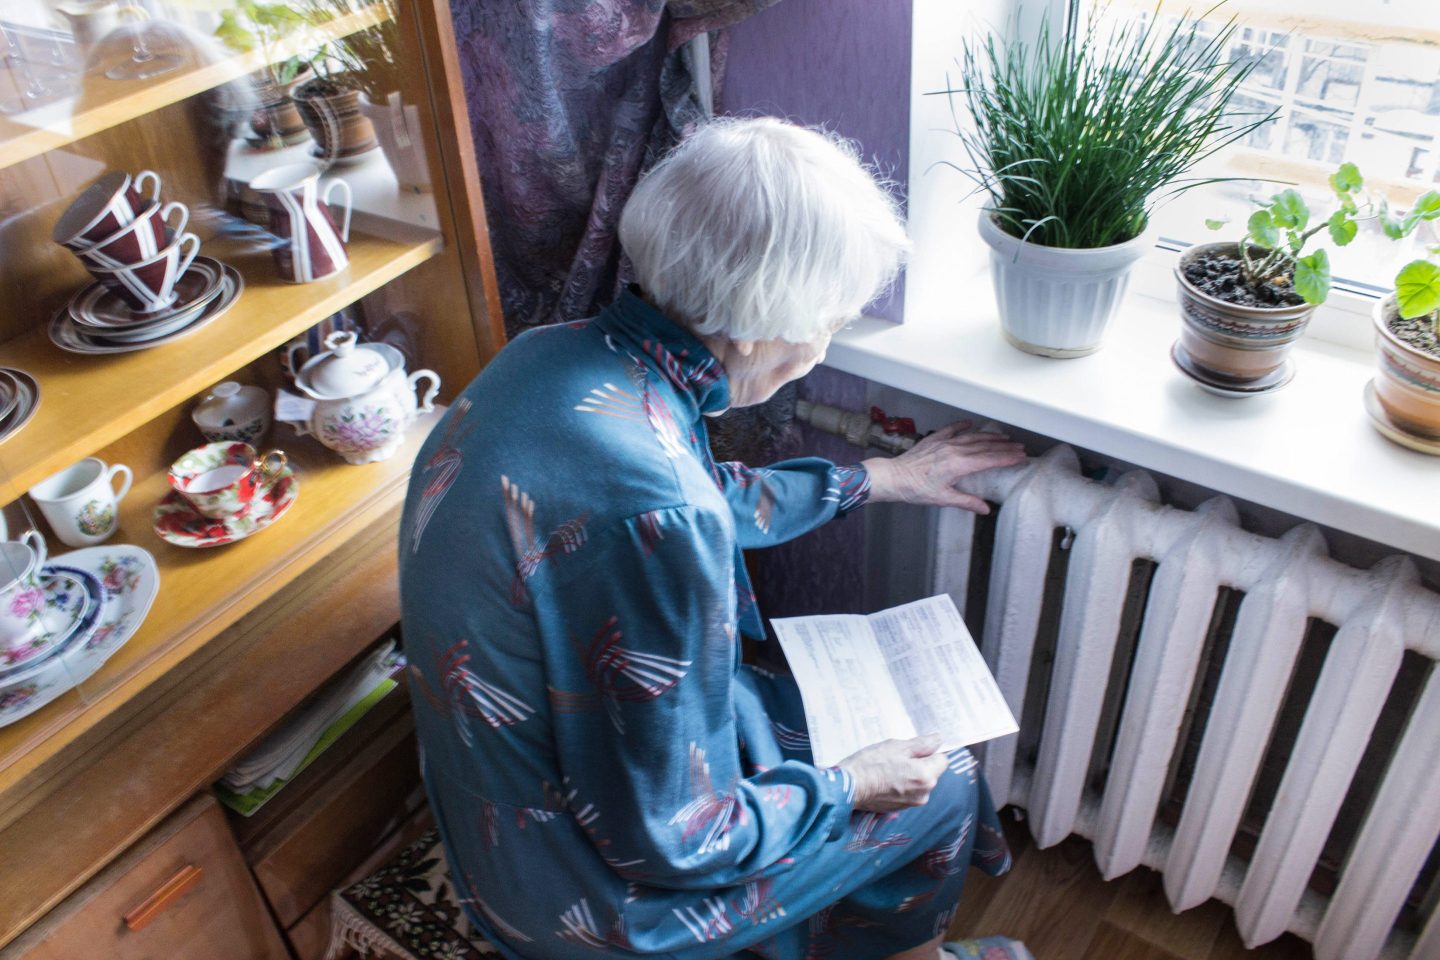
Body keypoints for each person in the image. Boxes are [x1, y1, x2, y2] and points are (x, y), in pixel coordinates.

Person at [399, 117, 1030, 960]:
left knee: (804, 721)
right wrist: (852, 784)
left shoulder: (559, 359)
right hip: (585, 898)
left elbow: (685, 497)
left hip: (496, 804)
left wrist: (881, 478)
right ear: (774, 322)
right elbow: (675, 841)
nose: (823, 344)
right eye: (833, 319)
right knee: (942, 783)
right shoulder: (659, 510)